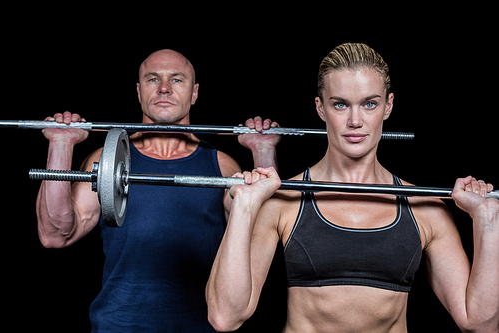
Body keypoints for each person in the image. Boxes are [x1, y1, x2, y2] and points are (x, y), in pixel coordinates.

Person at [206, 43, 499, 332]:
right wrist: (245, 206)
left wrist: (487, 221)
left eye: (369, 104)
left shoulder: (425, 207)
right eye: (340, 104)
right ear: (321, 108)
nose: (355, 121)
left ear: (389, 105)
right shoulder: (284, 200)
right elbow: (225, 317)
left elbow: (480, 323)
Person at [36, 49, 280, 332]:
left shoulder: (222, 167)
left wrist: (263, 152)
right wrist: (61, 145)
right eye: (153, 79)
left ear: (194, 93)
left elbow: (264, 236)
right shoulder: (106, 161)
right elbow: (55, 234)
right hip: (118, 326)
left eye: (176, 80)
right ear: (139, 92)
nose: (164, 88)